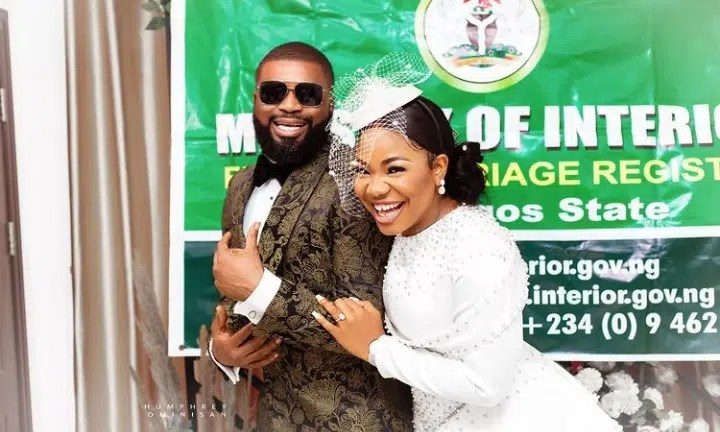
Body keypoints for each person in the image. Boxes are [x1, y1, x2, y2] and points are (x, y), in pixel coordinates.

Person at [313, 68, 623, 431]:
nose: (374, 188)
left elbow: (487, 385)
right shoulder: (410, 228)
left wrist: (375, 348)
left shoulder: (478, 248)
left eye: (394, 169)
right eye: (363, 171)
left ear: (437, 167)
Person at [208, 42, 413, 431]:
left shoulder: (357, 181)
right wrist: (222, 351)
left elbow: (374, 328)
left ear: (330, 105)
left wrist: (259, 289)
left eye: (307, 94)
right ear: (256, 100)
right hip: (272, 419)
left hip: (360, 421)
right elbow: (234, 296)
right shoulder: (240, 185)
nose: (289, 105)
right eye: (274, 92)